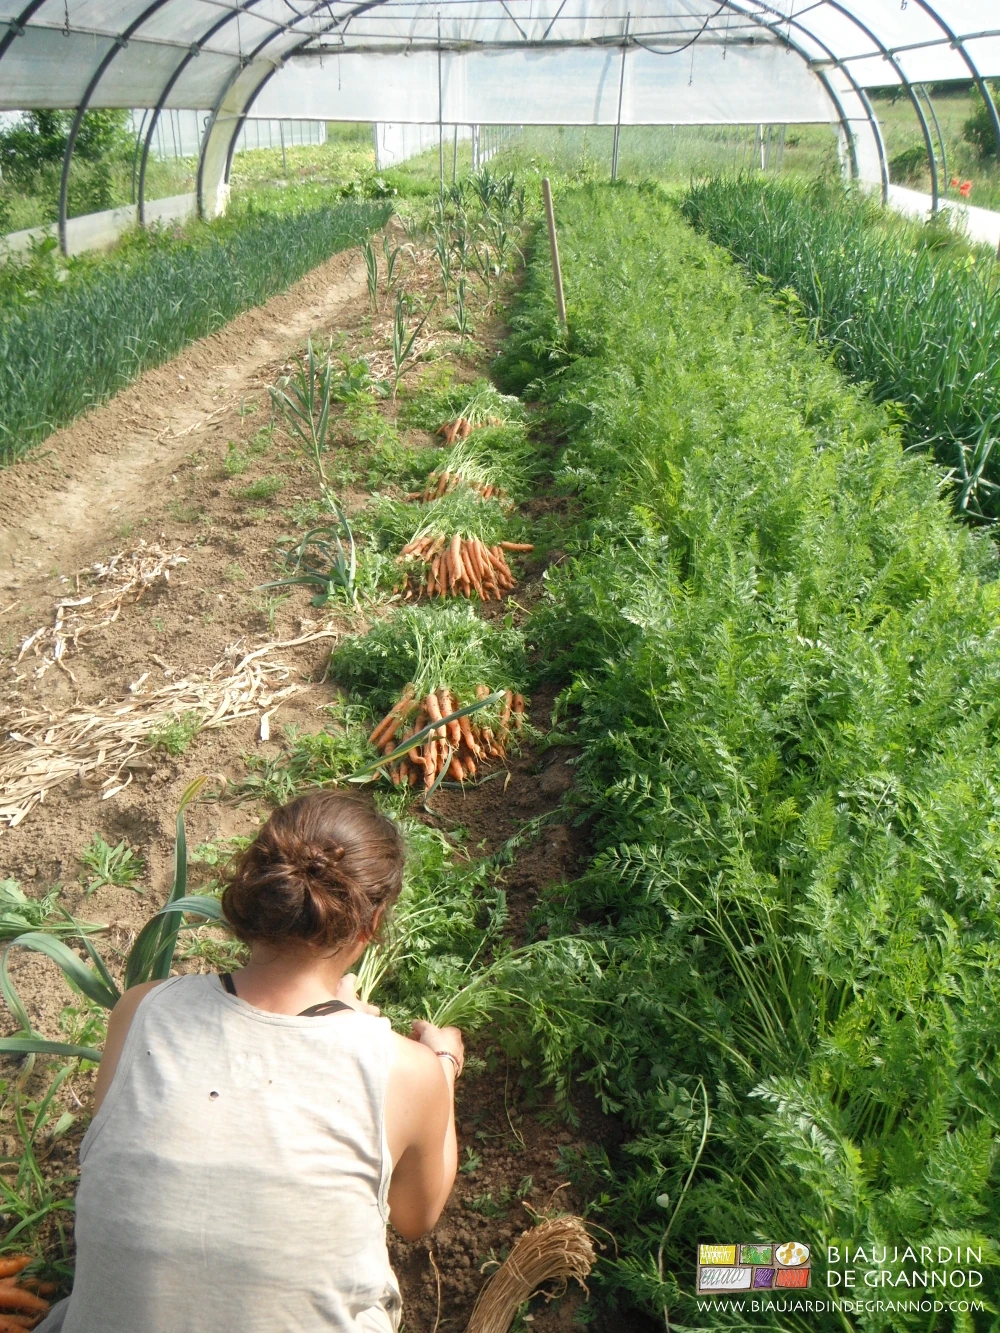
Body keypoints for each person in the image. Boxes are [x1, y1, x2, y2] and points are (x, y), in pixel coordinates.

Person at [37, 790, 464, 1333]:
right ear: (372, 923)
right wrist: (441, 1064)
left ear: (255, 894)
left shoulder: (142, 1010)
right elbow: (415, 1219)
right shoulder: (406, 1070)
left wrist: (342, 1014)